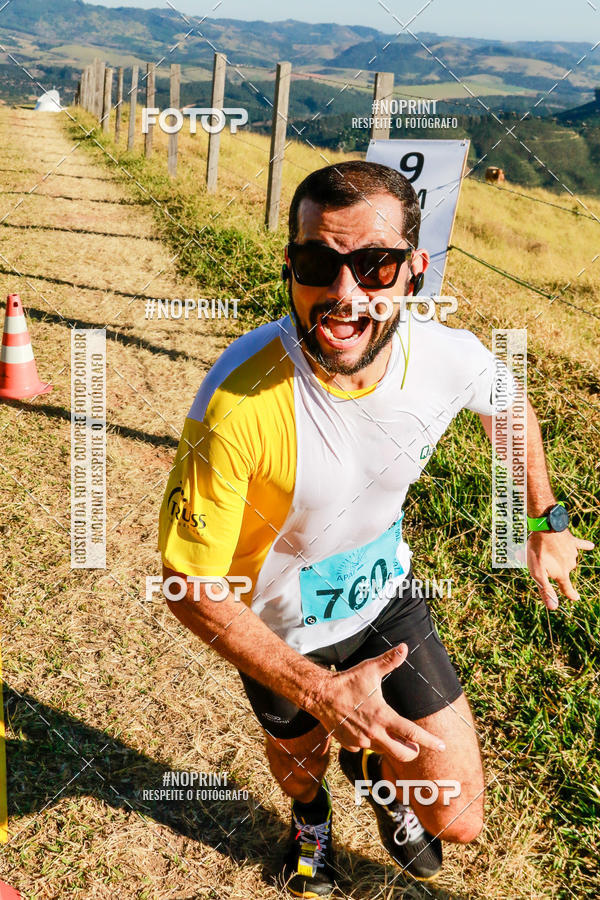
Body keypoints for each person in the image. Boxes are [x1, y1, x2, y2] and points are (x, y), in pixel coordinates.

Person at [158, 161, 592, 897]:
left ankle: (377, 775)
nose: (345, 294)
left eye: (376, 265)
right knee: (300, 765)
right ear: (291, 267)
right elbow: (188, 587)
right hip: (279, 626)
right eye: (318, 263)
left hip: (386, 600)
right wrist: (323, 695)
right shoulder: (236, 403)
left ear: (414, 272)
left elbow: (509, 405)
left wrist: (546, 520)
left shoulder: (444, 356)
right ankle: (312, 821)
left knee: (456, 820)